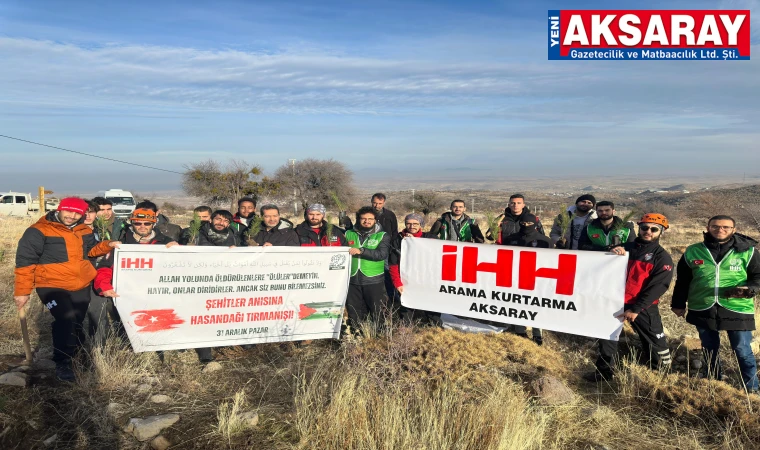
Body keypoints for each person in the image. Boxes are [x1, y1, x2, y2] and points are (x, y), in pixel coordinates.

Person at [14, 197, 117, 381]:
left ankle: (76, 353)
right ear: (59, 209)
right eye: (68, 211)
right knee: (65, 319)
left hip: (80, 284)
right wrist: (23, 291)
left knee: (77, 321)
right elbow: (25, 262)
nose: (71, 216)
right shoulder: (38, 231)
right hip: (51, 285)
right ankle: (63, 362)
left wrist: (106, 245)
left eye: (77, 213)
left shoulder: (83, 229)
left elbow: (92, 250)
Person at [671, 215, 760, 393]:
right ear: (708, 227)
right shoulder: (693, 251)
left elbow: (758, 277)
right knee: (709, 347)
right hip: (703, 305)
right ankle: (713, 381)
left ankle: (752, 388)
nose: (720, 230)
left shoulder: (748, 251)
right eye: (716, 226)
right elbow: (683, 280)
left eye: (726, 227)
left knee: (742, 349)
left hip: (737, 307)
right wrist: (678, 303)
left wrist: (750, 289)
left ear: (734, 230)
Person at [585, 213, 674, 382]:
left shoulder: (661, 257)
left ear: (661, 232)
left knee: (655, 339)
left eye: (654, 229)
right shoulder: (626, 247)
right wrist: (610, 252)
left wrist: (637, 308)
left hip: (642, 306)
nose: (648, 231)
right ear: (639, 228)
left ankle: (660, 375)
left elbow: (658, 287)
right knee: (607, 338)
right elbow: (601, 265)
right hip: (615, 301)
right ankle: (604, 372)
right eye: (644, 228)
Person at [497, 213, 551, 344]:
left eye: (529, 224)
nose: (526, 226)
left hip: (536, 279)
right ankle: (520, 331)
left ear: (535, 224)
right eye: (523, 223)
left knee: (536, 305)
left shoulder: (545, 241)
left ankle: (537, 333)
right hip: (515, 278)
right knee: (517, 303)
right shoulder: (511, 239)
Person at [345, 206, 391, 330]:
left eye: (370, 219)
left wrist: (361, 251)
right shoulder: (348, 233)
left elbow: (382, 255)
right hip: (352, 279)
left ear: (375, 220)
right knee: (354, 311)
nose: (367, 221)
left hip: (373, 280)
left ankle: (378, 335)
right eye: (363, 219)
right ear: (358, 219)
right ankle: (357, 335)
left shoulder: (382, 235)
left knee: (377, 311)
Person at [388, 213, 438, 323]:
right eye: (408, 224)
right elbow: (393, 264)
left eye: (415, 224)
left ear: (421, 225)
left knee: (431, 303)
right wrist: (397, 283)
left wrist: (414, 242)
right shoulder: (396, 240)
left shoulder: (430, 238)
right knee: (407, 305)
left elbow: (436, 253)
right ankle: (406, 330)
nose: (412, 226)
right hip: (406, 280)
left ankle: (435, 326)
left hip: (426, 279)